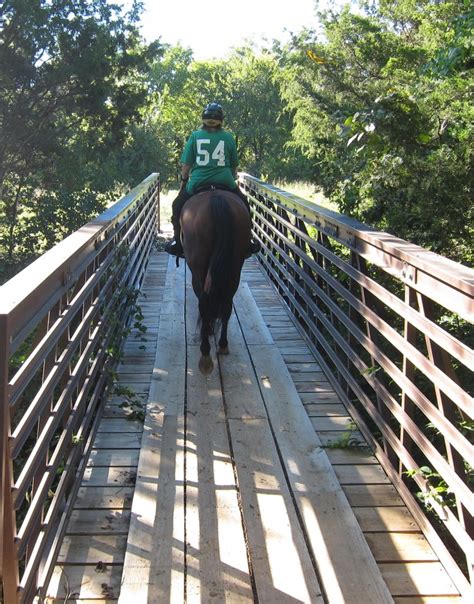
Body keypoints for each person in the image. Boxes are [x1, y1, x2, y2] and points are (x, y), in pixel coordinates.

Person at [165, 102, 260, 258]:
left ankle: (176, 242)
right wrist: (231, 178)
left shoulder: (195, 136)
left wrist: (183, 182)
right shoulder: (228, 137)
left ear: (204, 119)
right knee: (244, 204)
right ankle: (248, 240)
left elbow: (186, 164)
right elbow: (233, 167)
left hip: (198, 182)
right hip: (225, 181)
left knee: (177, 205)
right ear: (221, 121)